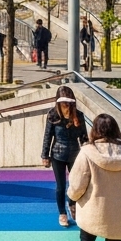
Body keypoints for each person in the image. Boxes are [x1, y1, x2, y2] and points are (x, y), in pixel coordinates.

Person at [41, 87, 89, 228]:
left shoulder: (78, 115)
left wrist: (88, 152)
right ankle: (62, 213)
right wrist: (45, 155)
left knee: (76, 184)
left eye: (68, 103)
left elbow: (84, 136)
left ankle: (73, 205)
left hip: (75, 154)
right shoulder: (53, 115)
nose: (66, 106)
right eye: (63, 103)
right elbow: (47, 136)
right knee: (61, 186)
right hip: (58, 154)